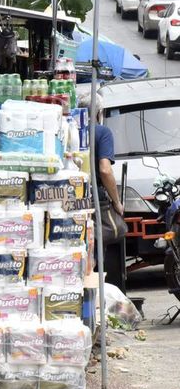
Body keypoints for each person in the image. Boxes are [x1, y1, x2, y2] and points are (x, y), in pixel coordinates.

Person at [79, 93, 126, 293]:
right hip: (95, 202)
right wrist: (117, 201)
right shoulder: (102, 132)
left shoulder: (71, 129)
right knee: (95, 253)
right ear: (99, 112)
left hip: (71, 200)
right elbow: (105, 170)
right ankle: (93, 297)